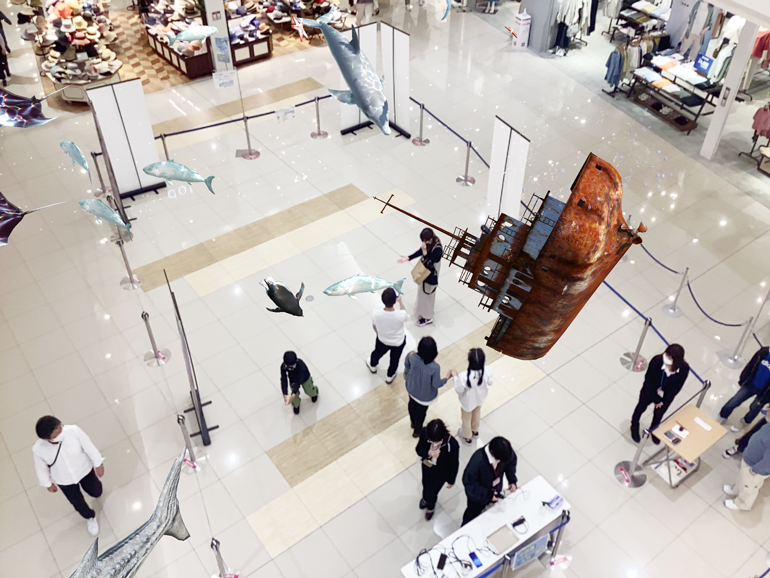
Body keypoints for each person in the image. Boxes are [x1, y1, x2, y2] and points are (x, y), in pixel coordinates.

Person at [32, 416, 104, 536]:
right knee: (77, 502)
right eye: (56, 432)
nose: (61, 432)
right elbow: (40, 468)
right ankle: (89, 517)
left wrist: (98, 463)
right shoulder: (39, 449)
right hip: (64, 480)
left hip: (84, 470)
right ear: (47, 438)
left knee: (96, 491)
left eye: (60, 427)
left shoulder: (73, 431)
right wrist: (47, 484)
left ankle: (96, 491)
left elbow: (89, 446)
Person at [630, 344, 690, 444]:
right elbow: (648, 381)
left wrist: (663, 401)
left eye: (670, 357)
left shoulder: (684, 369)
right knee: (641, 407)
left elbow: (676, 388)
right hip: (650, 390)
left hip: (666, 395)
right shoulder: (657, 361)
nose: (666, 358)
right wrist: (656, 399)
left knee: (659, 414)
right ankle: (634, 424)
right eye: (666, 355)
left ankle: (654, 430)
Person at [404, 336, 454, 437]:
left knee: (412, 405)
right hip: (425, 396)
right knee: (421, 413)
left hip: (411, 389)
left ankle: (413, 422)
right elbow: (436, 384)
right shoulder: (434, 367)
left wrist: (407, 376)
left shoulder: (411, 356)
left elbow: (406, 365)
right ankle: (417, 431)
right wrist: (446, 378)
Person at [461, 436, 517, 525]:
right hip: (478, 496)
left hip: (495, 489)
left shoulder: (506, 452)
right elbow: (469, 484)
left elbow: (511, 463)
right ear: (492, 453)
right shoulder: (477, 461)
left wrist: (512, 480)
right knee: (472, 514)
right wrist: (488, 495)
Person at [415, 419, 459, 521]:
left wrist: (451, 480)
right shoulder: (425, 433)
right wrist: (428, 453)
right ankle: (425, 498)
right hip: (427, 465)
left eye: (435, 441)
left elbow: (454, 463)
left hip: (441, 472)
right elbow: (418, 449)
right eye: (431, 440)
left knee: (432, 491)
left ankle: (430, 507)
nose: (433, 442)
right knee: (425, 483)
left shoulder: (452, 444)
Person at [718, 345, 770, 432]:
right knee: (735, 400)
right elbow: (751, 365)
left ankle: (744, 422)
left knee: (754, 408)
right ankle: (723, 415)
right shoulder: (763, 352)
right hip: (750, 383)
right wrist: (743, 378)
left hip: (764, 393)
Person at [398, 227, 442, 327]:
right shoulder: (430, 243)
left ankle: (428, 316)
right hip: (426, 272)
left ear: (430, 239)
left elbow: (430, 261)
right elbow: (421, 252)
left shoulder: (438, 249)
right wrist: (409, 257)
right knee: (422, 292)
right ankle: (422, 309)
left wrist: (425, 251)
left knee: (428, 294)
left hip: (430, 274)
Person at [724, 419, 770, 510]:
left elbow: (768, 462)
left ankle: (742, 504)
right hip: (750, 458)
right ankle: (735, 490)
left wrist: (756, 470)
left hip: (756, 468)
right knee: (742, 478)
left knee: (749, 487)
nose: (766, 414)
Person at [366, 287, 408, 384]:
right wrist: (401, 303)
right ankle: (390, 375)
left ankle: (373, 365)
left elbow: (374, 326)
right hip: (398, 342)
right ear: (394, 301)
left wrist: (381, 334)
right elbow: (406, 316)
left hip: (382, 340)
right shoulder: (400, 314)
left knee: (377, 353)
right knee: (395, 359)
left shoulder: (376, 313)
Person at [454, 348, 493, 444]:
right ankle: (475, 431)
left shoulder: (463, 376)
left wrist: (455, 377)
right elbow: (491, 382)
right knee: (477, 414)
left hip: (467, 402)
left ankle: (467, 437)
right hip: (480, 398)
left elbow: (459, 390)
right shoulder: (488, 370)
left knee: (466, 419)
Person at [280, 351, 319, 415]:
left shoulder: (301, 366)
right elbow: (283, 378)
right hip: (292, 379)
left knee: (308, 390)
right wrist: (284, 392)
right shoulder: (283, 367)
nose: (290, 368)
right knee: (294, 398)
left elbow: (299, 380)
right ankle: (296, 405)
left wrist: (294, 392)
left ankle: (314, 393)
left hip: (304, 378)